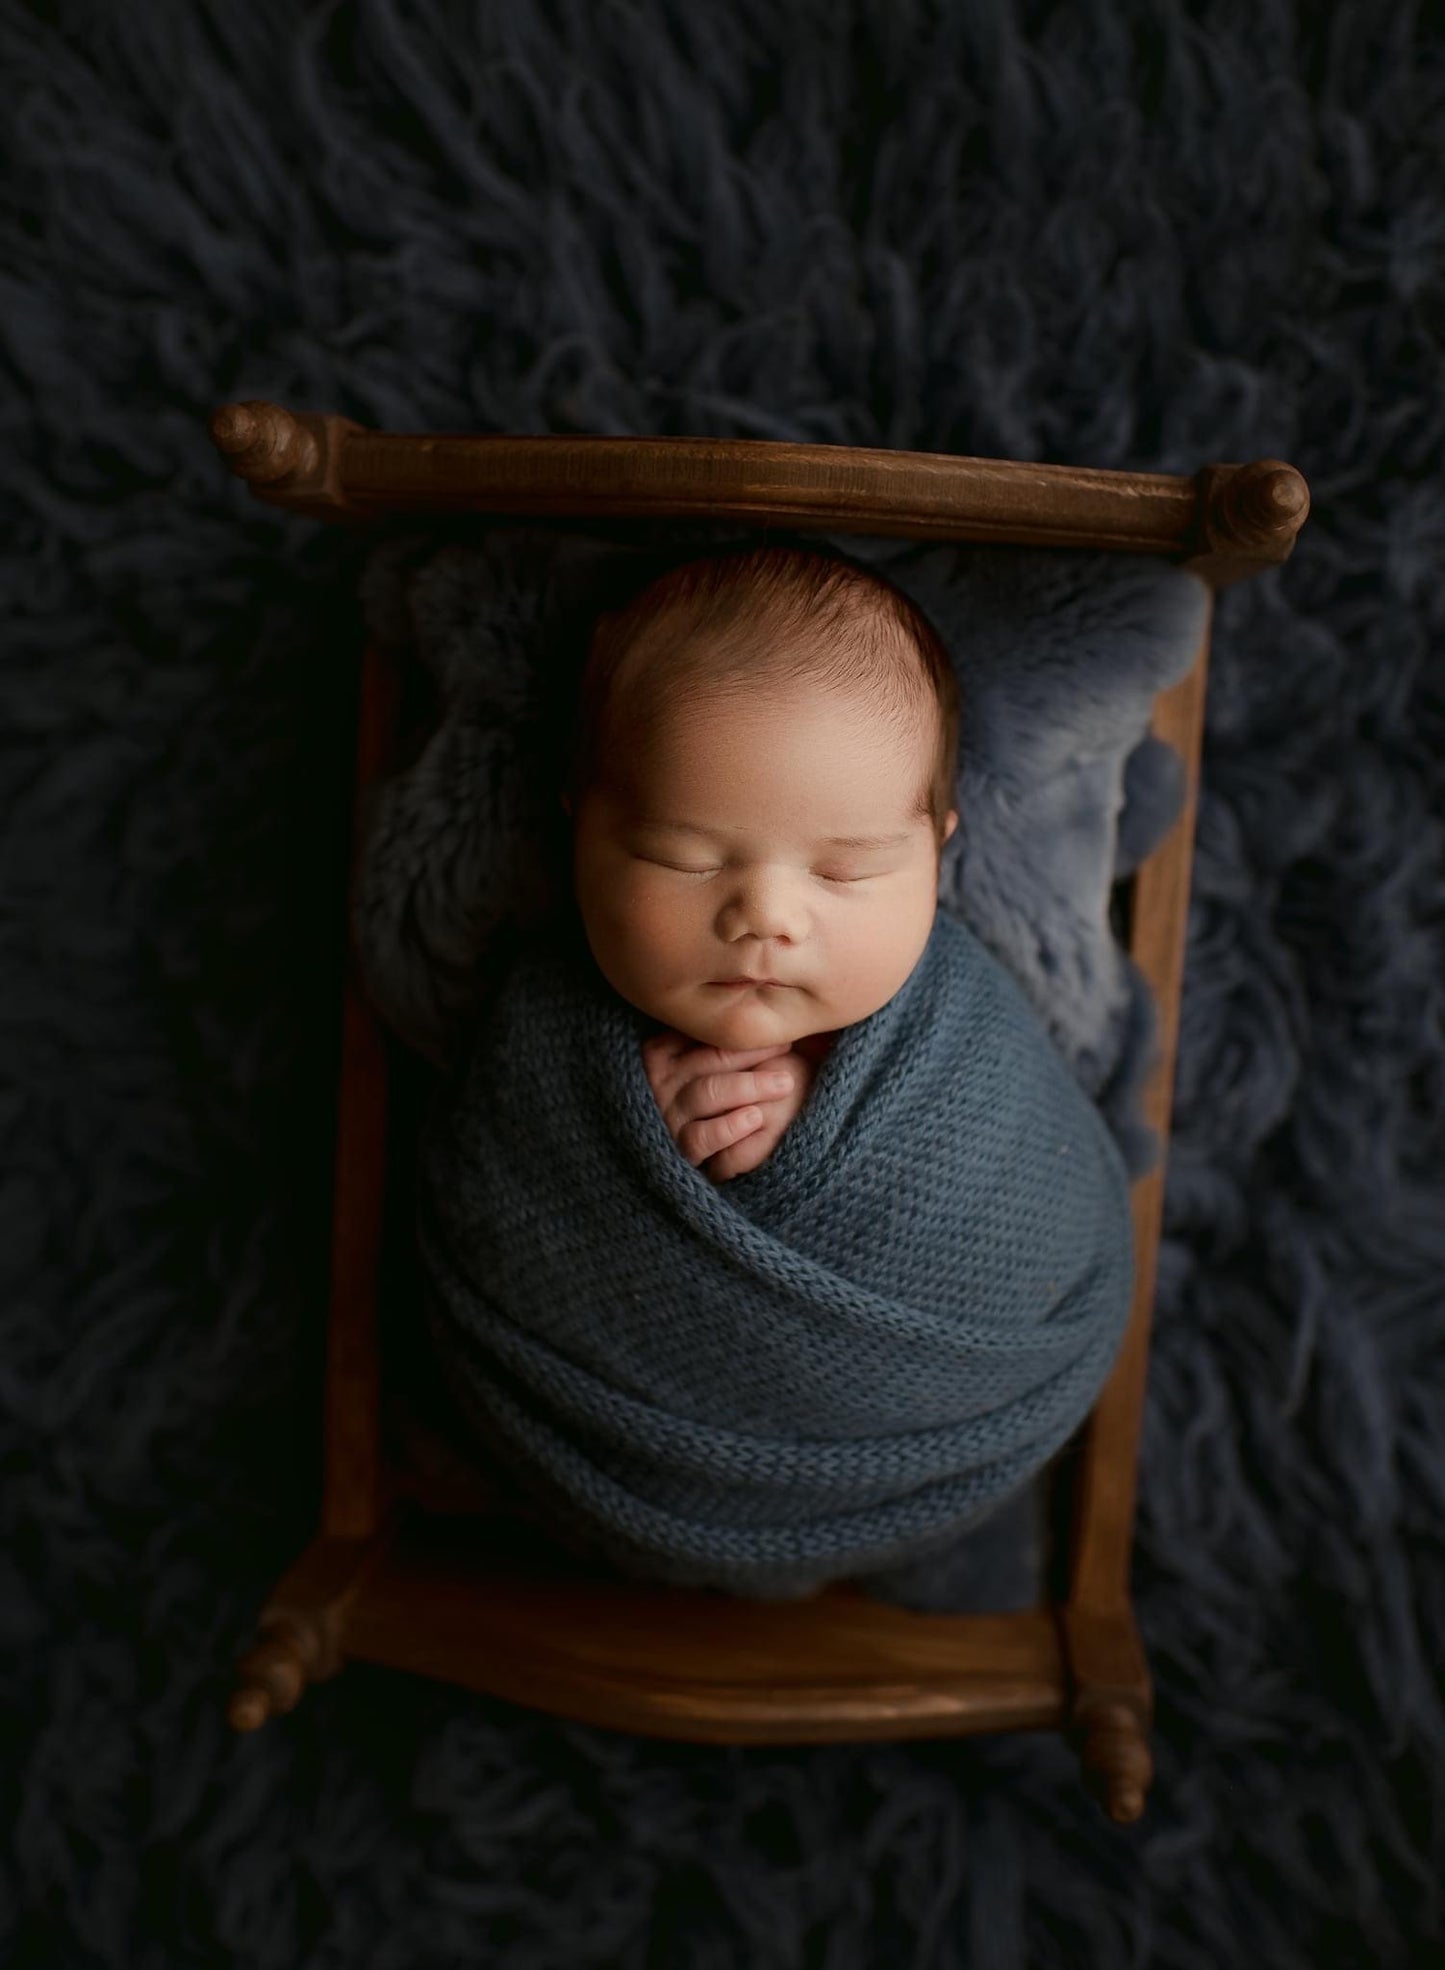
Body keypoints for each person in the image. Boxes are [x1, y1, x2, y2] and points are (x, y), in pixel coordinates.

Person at [559, 541, 961, 1182]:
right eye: (683, 858)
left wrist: (828, 1132)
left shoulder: (961, 1046)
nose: (767, 919)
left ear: (938, 856)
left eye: (842, 872)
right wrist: (611, 1131)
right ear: (578, 829)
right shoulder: (548, 1040)